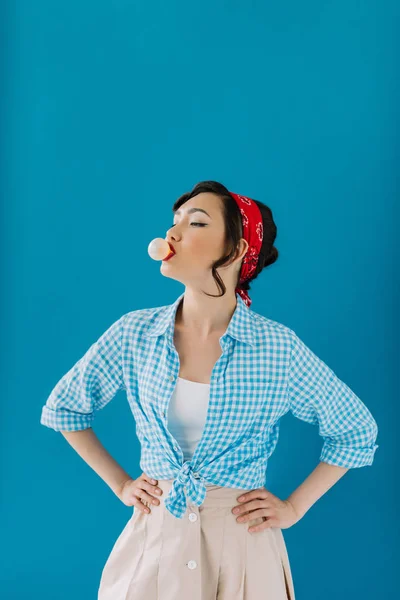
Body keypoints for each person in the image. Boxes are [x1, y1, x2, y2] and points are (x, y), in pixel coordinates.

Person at [40, 180, 379, 600]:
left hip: (243, 547)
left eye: (196, 222)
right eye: (174, 222)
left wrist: (294, 508)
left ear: (236, 251)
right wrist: (121, 484)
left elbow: (356, 430)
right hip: (154, 544)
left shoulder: (278, 348)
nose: (173, 234)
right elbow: (65, 409)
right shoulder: (134, 333)